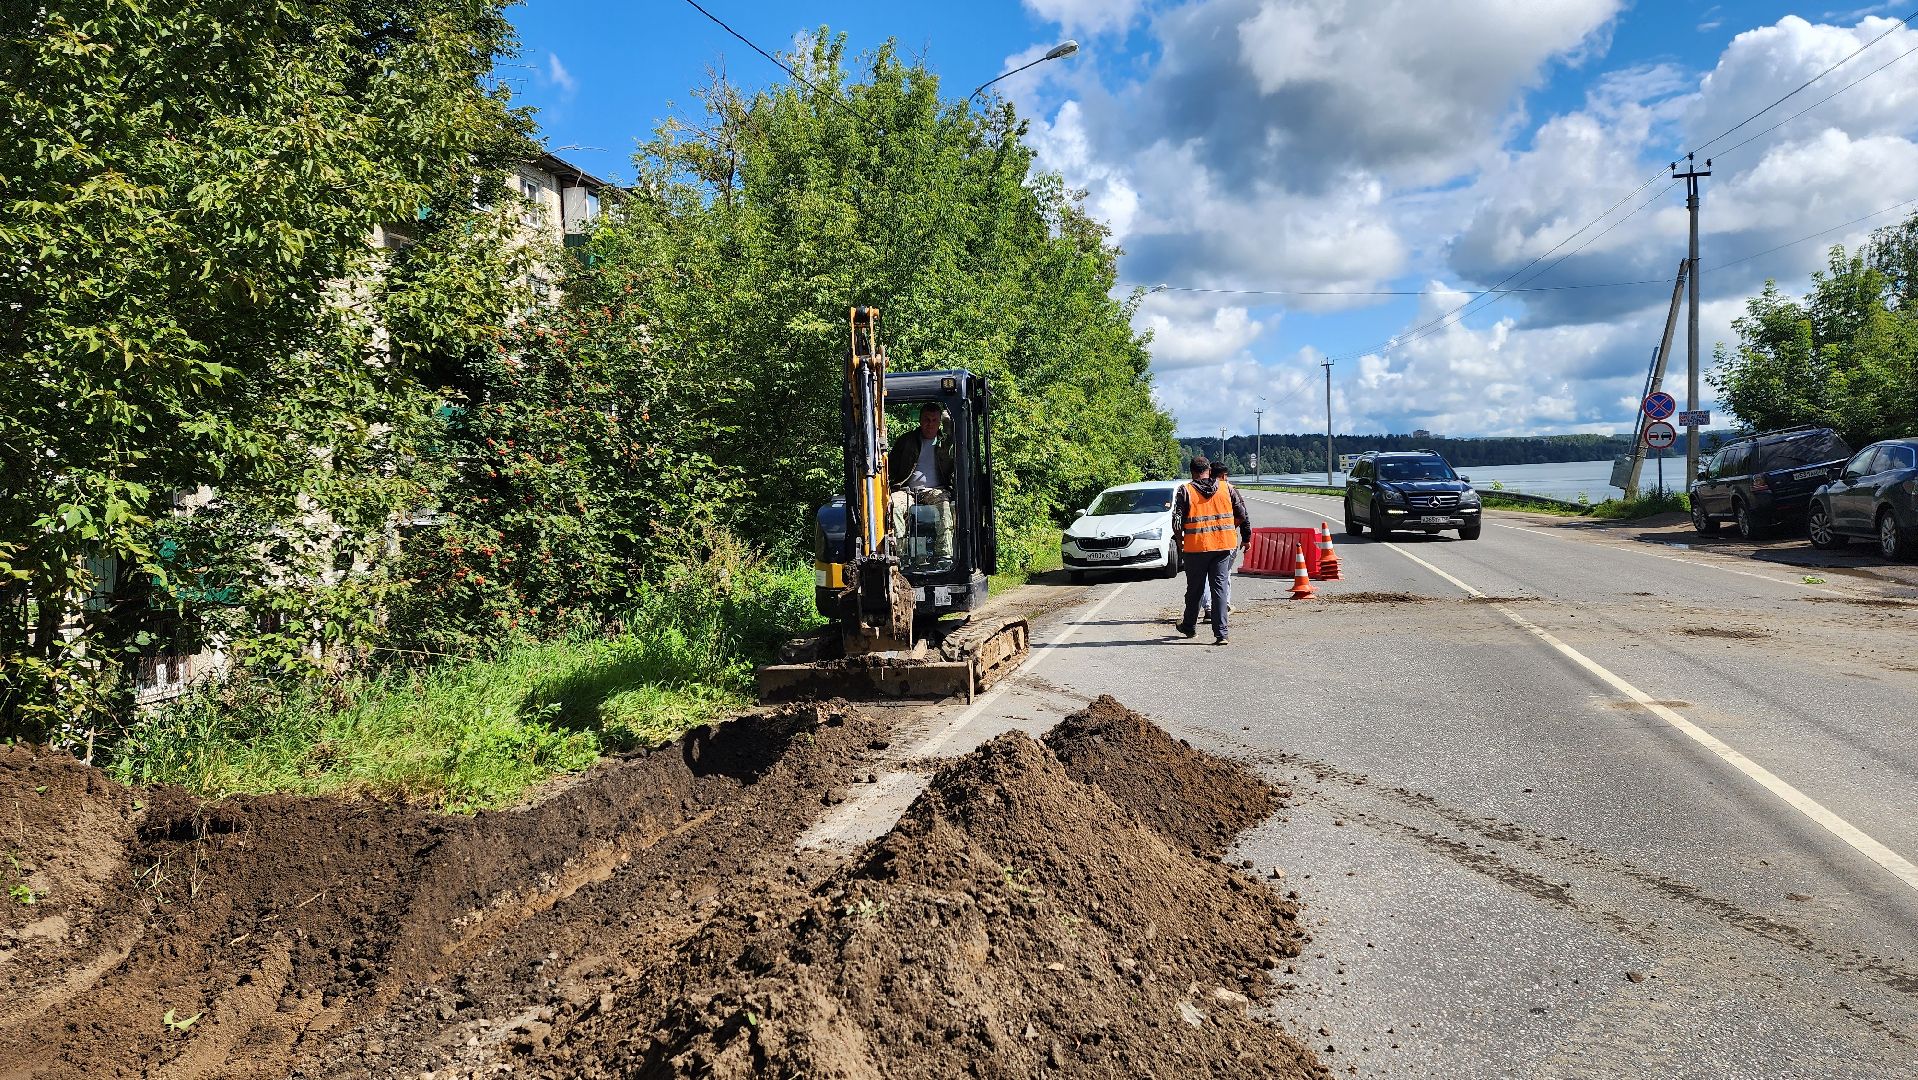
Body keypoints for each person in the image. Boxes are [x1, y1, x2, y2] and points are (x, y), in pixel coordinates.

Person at [1173, 456, 1252, 645]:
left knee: (1195, 590)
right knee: (1219, 588)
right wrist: (1230, 529)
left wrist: (1179, 541)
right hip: (1223, 546)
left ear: (1191, 471)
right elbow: (1242, 514)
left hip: (1195, 547)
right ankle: (1221, 634)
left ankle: (1189, 627)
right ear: (1209, 470)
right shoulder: (1228, 488)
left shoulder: (1185, 491)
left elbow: (1176, 521)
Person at [888, 402, 954, 561]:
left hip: (935, 491)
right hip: (907, 491)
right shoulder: (906, 441)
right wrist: (890, 487)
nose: (929, 424)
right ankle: (900, 557)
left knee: (945, 508)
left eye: (934, 420)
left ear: (939, 423)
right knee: (894, 506)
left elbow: (956, 467)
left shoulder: (947, 444)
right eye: (926, 419)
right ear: (919, 420)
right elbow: (890, 467)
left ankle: (944, 556)